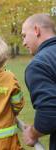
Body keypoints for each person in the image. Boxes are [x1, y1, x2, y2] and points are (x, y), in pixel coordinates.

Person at [21, 13, 56, 150]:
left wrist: (33, 133)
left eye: (24, 36)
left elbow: (50, 113)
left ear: (36, 30)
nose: (23, 43)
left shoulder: (39, 65)